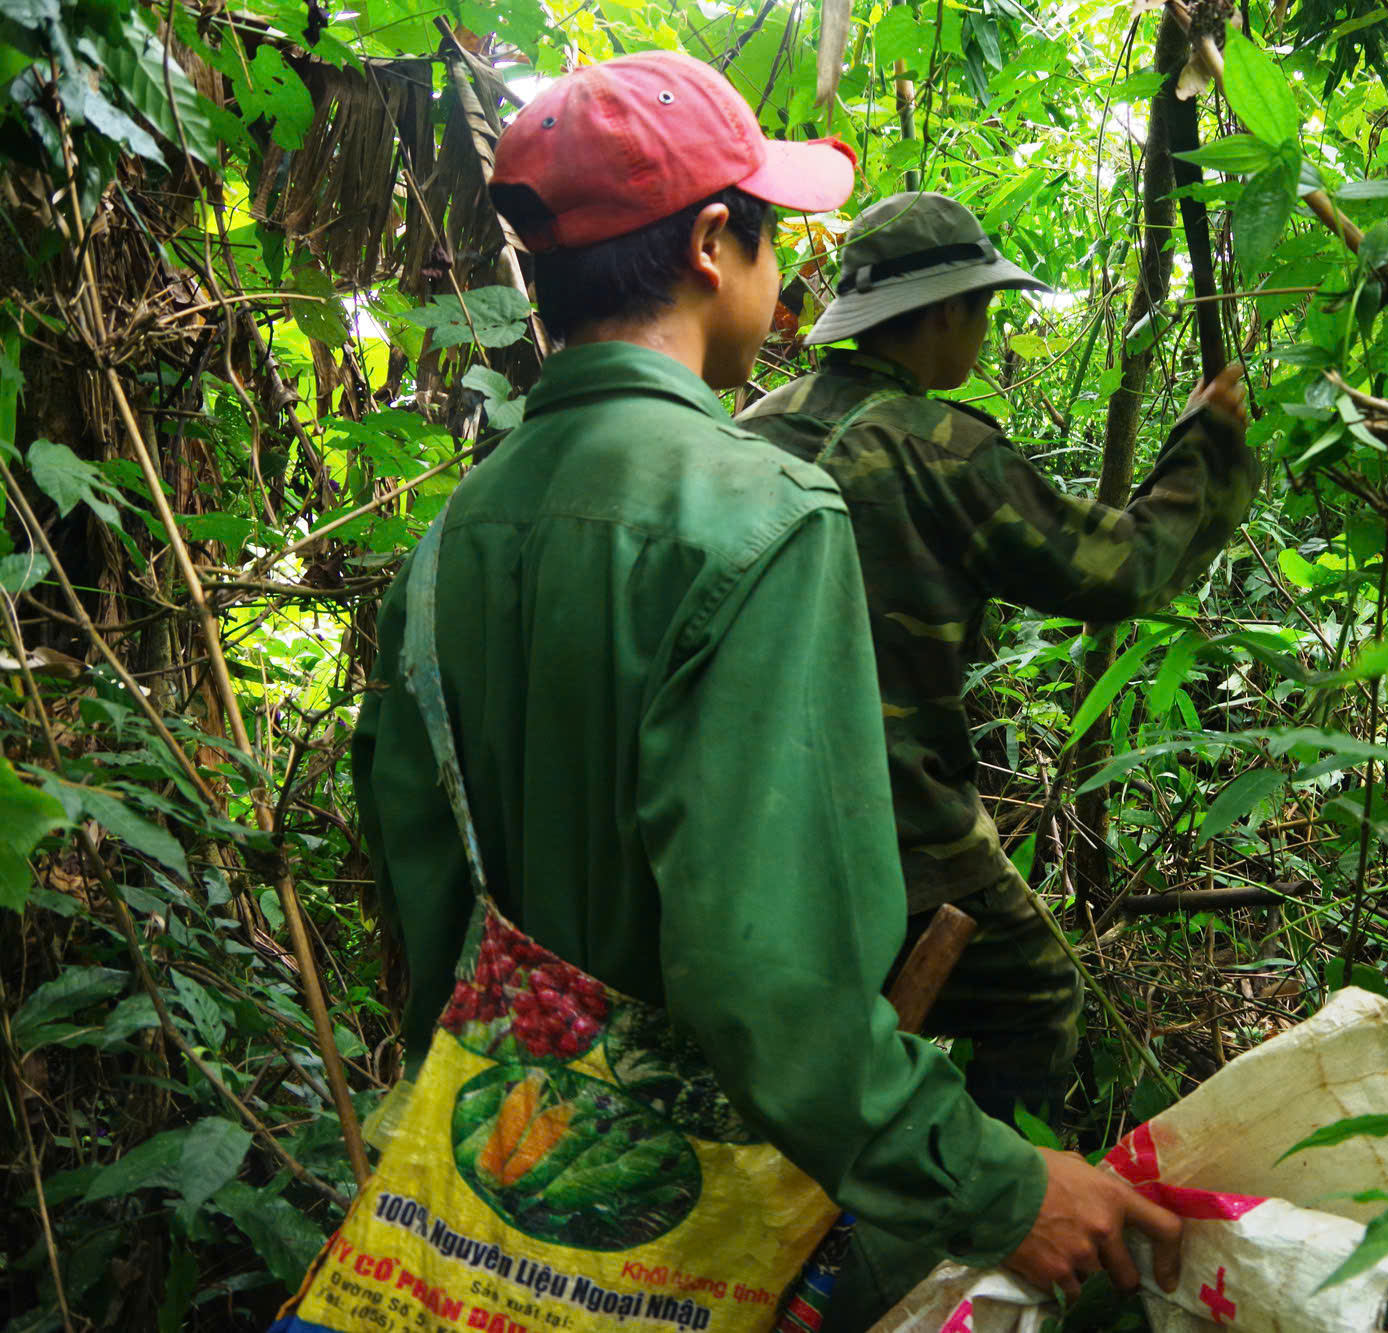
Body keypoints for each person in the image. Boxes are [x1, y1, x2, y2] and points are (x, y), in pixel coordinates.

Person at [351, 52, 1181, 1321]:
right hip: (712, 1197)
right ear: (708, 244)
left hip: (497, 1178)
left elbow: (421, 888)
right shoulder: (757, 517)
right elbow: (765, 967)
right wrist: (996, 1181)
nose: (784, 277)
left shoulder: (448, 537)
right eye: (772, 237)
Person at [737, 192, 1259, 1129]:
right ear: (941, 314)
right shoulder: (943, 449)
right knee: (1034, 998)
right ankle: (979, 1234)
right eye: (980, 309)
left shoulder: (752, 428)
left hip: (740, 812)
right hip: (889, 826)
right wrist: (1209, 445)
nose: (983, 329)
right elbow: (1124, 566)